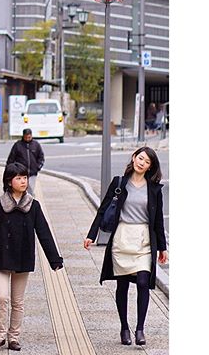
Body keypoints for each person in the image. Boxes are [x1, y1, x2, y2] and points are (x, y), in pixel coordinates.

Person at [83, 147, 168, 347]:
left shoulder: (154, 189)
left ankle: (140, 329)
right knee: (122, 284)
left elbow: (158, 221)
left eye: (147, 162)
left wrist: (162, 247)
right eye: (140, 158)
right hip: (122, 238)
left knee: (142, 281)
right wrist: (91, 234)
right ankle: (124, 327)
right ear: (133, 158)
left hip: (143, 239)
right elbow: (103, 208)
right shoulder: (119, 183)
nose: (142, 163)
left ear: (150, 167)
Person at [0, 162, 63, 352]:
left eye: (25, 177)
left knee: (17, 302)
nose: (23, 181)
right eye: (19, 178)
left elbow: (44, 233)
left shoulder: (33, 205)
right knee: (2, 297)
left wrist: (54, 259)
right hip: (0, 259)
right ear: (9, 181)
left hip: (22, 259)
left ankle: (13, 337)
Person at [5, 129, 44, 194]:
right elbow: (11, 158)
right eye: (26, 137)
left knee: (30, 190)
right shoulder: (18, 145)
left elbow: (41, 157)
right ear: (23, 136)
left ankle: (29, 202)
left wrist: (38, 167)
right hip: (20, 172)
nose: (28, 138)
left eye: (29, 137)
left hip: (32, 173)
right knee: (21, 190)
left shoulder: (36, 145)